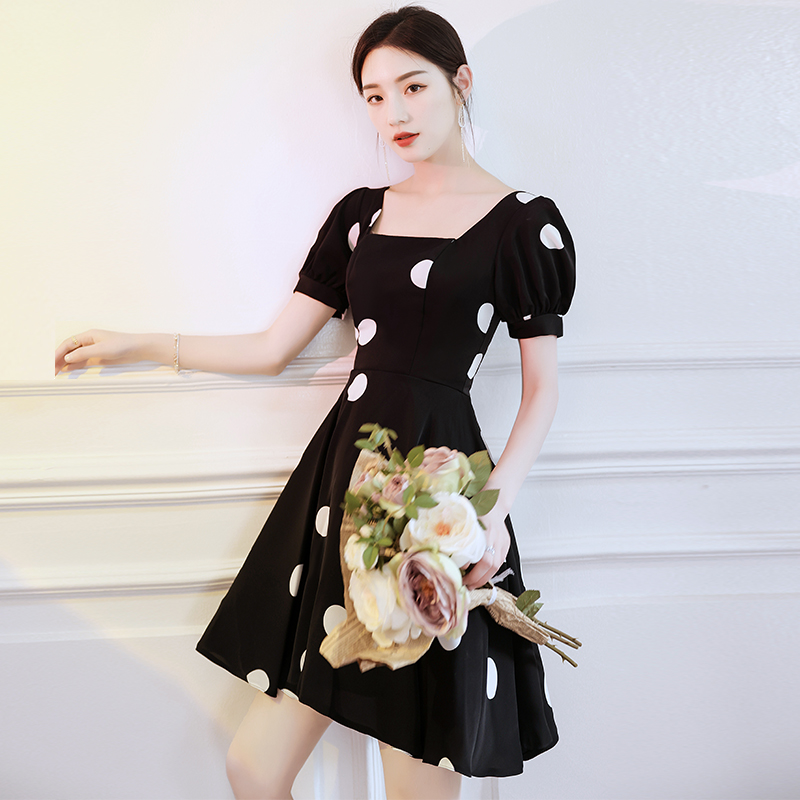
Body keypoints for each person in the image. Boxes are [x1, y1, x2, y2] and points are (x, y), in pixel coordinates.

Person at [55, 6, 576, 799]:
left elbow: (543, 390)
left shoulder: (523, 224)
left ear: (461, 82)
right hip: (339, 492)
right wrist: (143, 344)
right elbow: (274, 348)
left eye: (413, 87)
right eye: (375, 96)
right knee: (254, 767)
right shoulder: (360, 215)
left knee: (416, 774)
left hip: (434, 501)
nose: (394, 113)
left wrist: (493, 510)